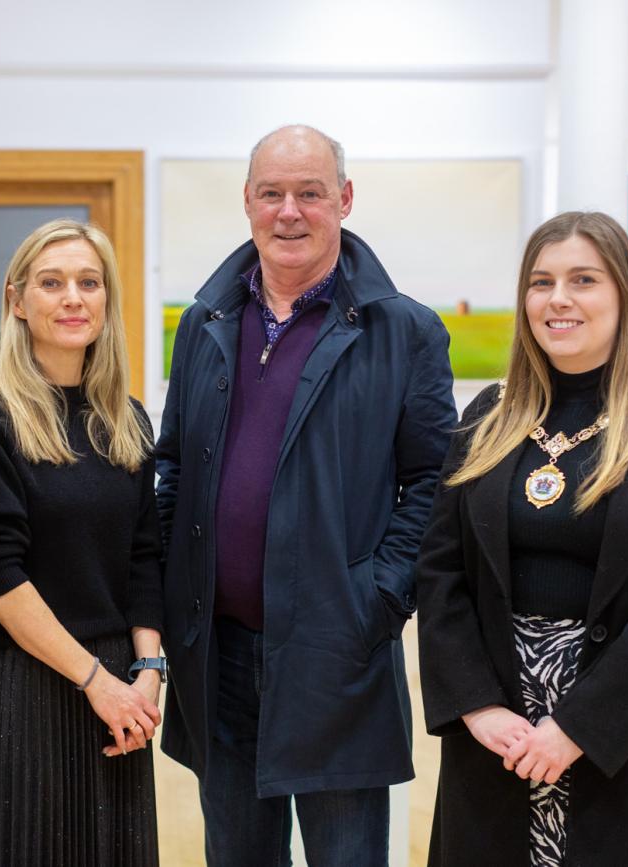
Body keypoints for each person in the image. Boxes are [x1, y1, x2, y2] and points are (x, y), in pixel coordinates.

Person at [156, 125, 457, 866]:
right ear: (249, 202)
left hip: (337, 655)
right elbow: (174, 467)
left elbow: (433, 483)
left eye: (310, 193)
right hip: (219, 657)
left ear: (344, 200)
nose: (289, 211)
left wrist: (378, 600)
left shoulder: (404, 329)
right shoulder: (206, 322)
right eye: (272, 193)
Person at [418, 211, 628, 867]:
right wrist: (477, 704)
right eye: (541, 282)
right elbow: (440, 572)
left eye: (583, 279)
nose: (558, 298)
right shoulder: (490, 416)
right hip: (500, 728)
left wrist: (578, 725)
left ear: (624, 292)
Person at [0, 219, 163, 867]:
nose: (73, 297)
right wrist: (96, 681)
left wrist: (147, 674)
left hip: (122, 691)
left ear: (106, 301)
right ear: (16, 300)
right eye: (52, 282)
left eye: (88, 282)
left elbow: (147, 554)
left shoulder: (127, 419)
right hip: (27, 691)